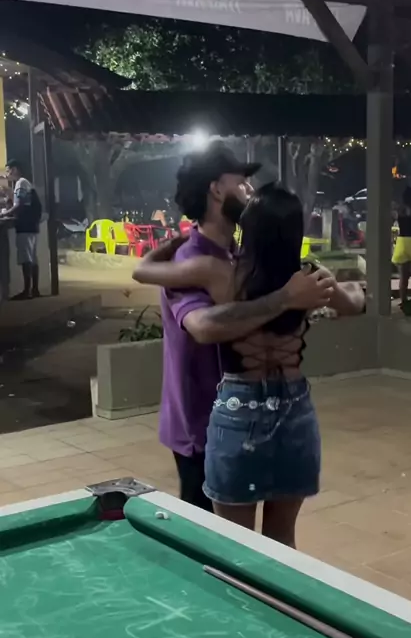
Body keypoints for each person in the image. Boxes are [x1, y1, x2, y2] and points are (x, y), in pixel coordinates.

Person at [134, 144, 364, 544]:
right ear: (216, 190)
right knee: (228, 544)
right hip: (204, 422)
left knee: (236, 547)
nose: (249, 189)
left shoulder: (226, 266)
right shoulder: (204, 261)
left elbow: (142, 271)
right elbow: (202, 327)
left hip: (237, 410)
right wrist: (291, 298)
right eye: (242, 182)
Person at [1, 159, 42, 300]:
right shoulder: (25, 183)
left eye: (8, 170)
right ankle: (34, 290)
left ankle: (27, 291)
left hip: (25, 226)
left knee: (26, 259)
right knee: (32, 258)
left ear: (15, 169)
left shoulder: (21, 183)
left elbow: (19, 205)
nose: (7, 174)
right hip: (32, 226)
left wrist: (4, 214)